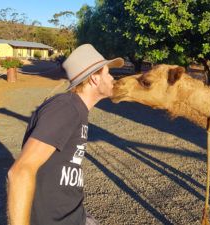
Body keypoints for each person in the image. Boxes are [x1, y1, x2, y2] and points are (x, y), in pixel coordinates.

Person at [7, 44, 124, 225]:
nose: (112, 78)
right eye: (108, 73)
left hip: (76, 217)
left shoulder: (77, 109)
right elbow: (20, 172)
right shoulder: (65, 108)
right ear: (94, 78)